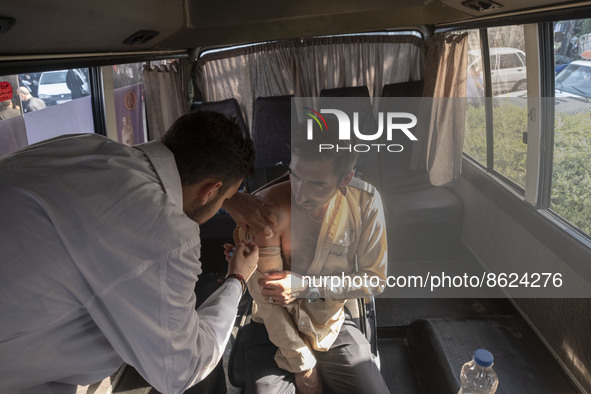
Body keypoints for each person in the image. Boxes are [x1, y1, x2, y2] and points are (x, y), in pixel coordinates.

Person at [0, 111, 277, 394]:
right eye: (226, 196)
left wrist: (228, 200)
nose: (224, 204)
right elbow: (183, 371)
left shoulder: (87, 145)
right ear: (210, 189)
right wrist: (237, 280)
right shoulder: (166, 233)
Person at [227, 125, 389, 393]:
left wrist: (307, 286)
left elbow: (375, 280)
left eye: (317, 184)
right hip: (272, 327)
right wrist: (303, 366)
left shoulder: (366, 203)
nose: (300, 194)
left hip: (329, 323)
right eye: (296, 176)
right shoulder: (266, 210)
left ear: (345, 179)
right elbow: (267, 299)